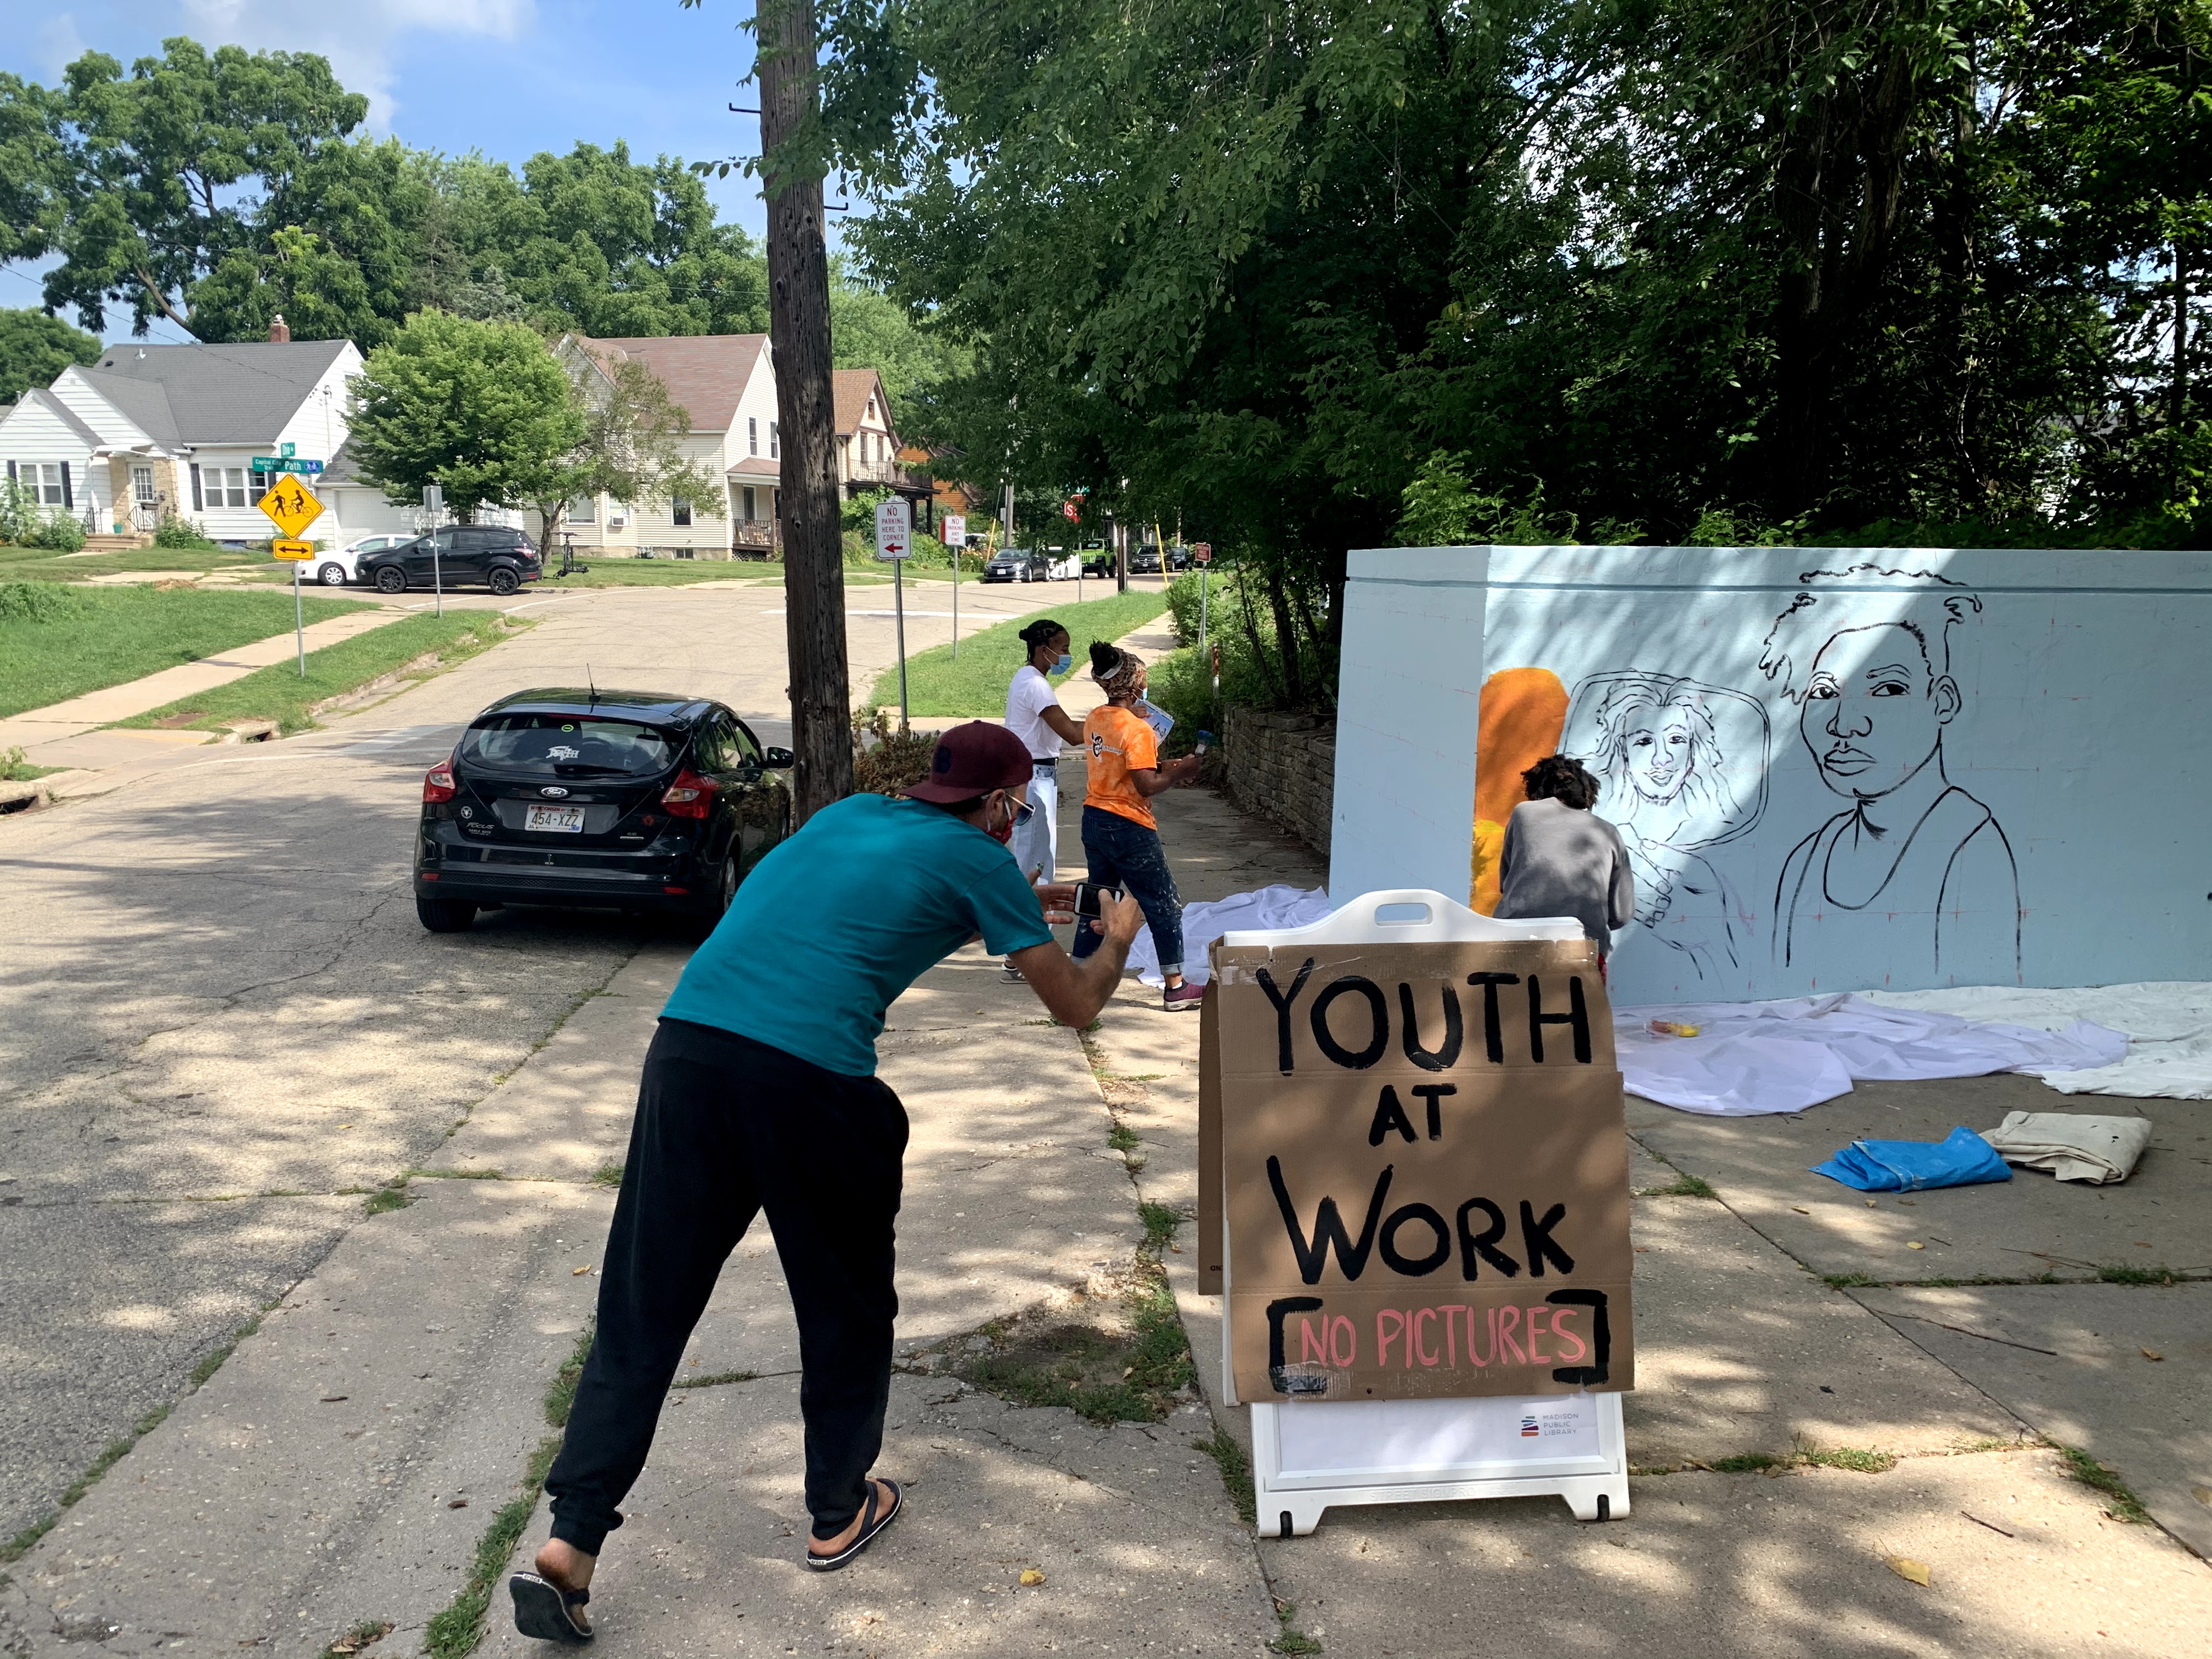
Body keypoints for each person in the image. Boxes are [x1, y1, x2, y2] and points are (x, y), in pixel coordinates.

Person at [509, 723, 1145, 1641]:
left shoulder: (852, 812)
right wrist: (1116, 936)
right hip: (804, 1081)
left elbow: (871, 896)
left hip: (687, 1049)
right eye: (1016, 810)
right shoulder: (982, 861)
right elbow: (1075, 1002)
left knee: (644, 1301)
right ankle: (837, 1508)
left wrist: (1014, 897)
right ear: (1006, 806)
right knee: (842, 1301)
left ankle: (572, 1539)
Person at [1070, 641, 1205, 1012]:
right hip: (1129, 826)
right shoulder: (1139, 730)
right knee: (1163, 902)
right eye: (1143, 678)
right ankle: (1175, 986)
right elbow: (1146, 785)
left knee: (1100, 896)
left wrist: (1171, 767)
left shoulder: (1097, 718)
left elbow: (1126, 768)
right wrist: (1182, 773)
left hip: (1094, 819)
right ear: (1133, 684)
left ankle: (1078, 972)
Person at [1492, 754, 1637, 969]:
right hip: (1582, 950)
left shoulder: (1524, 813)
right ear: (1587, 793)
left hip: (1517, 943)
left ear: (1536, 790)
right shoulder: (1609, 832)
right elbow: (1621, 915)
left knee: (1513, 1003)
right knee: (1583, 1002)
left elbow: (1507, 884)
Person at [1000, 618, 1085, 981]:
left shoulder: (1027, 679)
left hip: (1032, 776)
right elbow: (1072, 734)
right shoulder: (1036, 687)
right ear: (1043, 649)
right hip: (1034, 779)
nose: (1066, 655)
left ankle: (1020, 953)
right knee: (1037, 865)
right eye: (1063, 649)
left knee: (1032, 862)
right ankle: (1023, 955)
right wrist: (1116, 718)